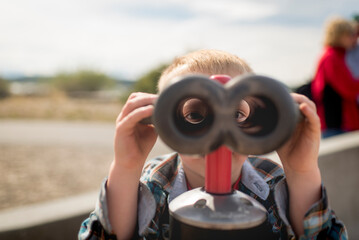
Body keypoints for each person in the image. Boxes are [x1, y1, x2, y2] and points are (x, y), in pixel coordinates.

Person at [78, 49, 347, 239]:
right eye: (195, 115)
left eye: (237, 115)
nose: (219, 133)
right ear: (162, 121)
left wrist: (301, 170)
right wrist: (126, 166)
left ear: (263, 120)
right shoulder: (153, 184)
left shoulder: (273, 181)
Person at [311, 17, 359, 138]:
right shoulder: (332, 58)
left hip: (337, 124)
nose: (354, 38)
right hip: (337, 125)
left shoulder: (333, 55)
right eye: (350, 34)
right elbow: (348, 88)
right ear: (340, 35)